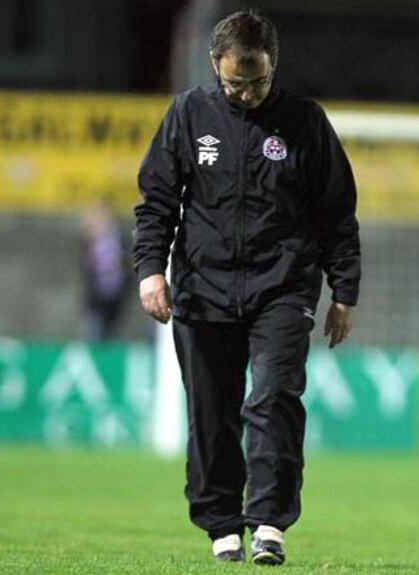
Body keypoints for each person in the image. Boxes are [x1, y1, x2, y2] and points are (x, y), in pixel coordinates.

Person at [132, 10, 361, 565]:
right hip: (203, 287)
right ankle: (221, 526)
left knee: (275, 398)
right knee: (212, 413)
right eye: (236, 83)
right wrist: (150, 269)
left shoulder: (306, 122)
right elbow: (157, 199)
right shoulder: (188, 114)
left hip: (282, 287)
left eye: (257, 81)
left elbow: (337, 213)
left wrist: (345, 289)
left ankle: (269, 523)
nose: (247, 94)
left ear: (273, 64)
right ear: (216, 66)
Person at [78, 201, 131, 341]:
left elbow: (125, 263)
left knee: (112, 334)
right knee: (94, 332)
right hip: (96, 297)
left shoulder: (118, 239)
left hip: (117, 296)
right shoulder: (89, 240)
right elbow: (86, 268)